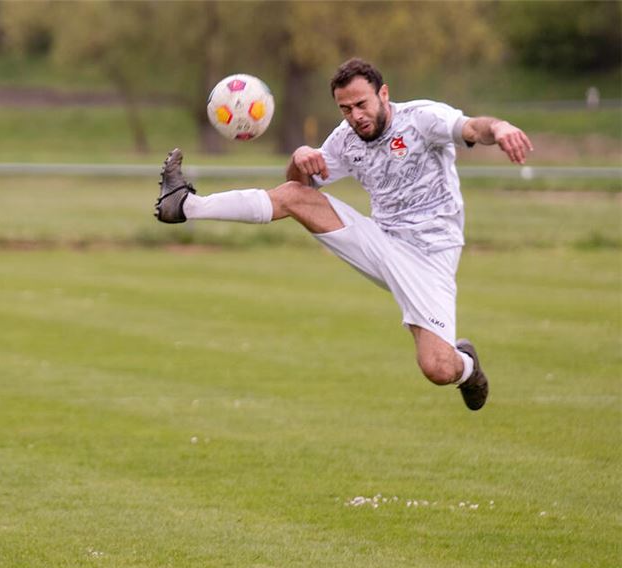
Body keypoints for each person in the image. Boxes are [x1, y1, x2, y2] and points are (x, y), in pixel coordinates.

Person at [155, 58, 534, 412]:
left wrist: (498, 128)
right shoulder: (345, 139)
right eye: (345, 109)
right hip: (380, 240)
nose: (356, 116)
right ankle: (185, 205)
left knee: (438, 368)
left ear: (383, 94)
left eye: (362, 104)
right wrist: (300, 156)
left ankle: (467, 367)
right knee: (294, 197)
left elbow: (471, 128)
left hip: (431, 256)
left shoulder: (423, 119)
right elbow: (299, 189)